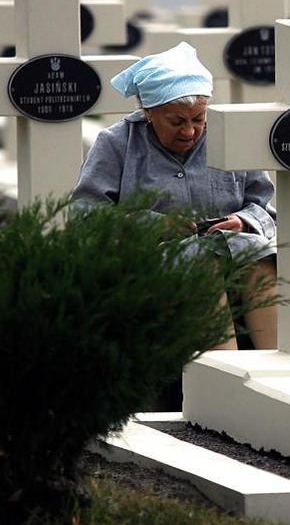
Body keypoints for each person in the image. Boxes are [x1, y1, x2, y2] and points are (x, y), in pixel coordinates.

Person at [73, 41, 278, 350]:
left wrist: (243, 221)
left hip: (233, 248)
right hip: (150, 261)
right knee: (199, 260)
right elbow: (85, 215)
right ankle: (227, 372)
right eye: (177, 121)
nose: (190, 131)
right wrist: (153, 225)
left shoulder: (229, 136)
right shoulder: (116, 144)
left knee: (258, 257)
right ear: (148, 112)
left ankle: (275, 368)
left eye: (198, 119)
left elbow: (263, 207)